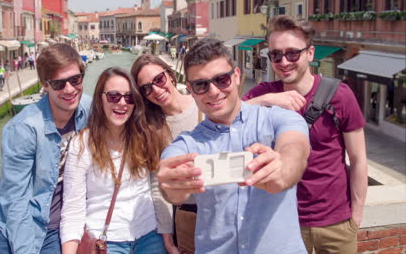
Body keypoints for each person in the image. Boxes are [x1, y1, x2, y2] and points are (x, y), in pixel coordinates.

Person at [157, 38, 311, 254]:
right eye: (202, 85)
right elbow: (171, 180)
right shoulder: (186, 144)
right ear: (191, 89)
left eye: (221, 80)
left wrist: (283, 168)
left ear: (236, 76)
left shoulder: (279, 118)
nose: (213, 91)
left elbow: (295, 148)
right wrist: (171, 188)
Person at [241, 15, 367, 254]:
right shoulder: (264, 94)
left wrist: (356, 218)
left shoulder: (340, 95)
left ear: (310, 53)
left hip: (336, 224)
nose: (284, 61)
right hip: (282, 221)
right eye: (276, 55)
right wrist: (267, 99)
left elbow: (358, 159)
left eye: (292, 53)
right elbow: (227, 120)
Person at [0, 44, 92, 254]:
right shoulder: (23, 129)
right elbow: (16, 201)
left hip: (54, 227)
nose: (69, 89)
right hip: (7, 227)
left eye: (75, 80)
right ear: (45, 85)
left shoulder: (88, 108)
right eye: (59, 84)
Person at [60, 67, 167, 254]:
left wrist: (167, 235)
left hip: (150, 235)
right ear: (100, 99)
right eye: (113, 96)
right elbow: (73, 208)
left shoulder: (145, 135)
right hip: (107, 242)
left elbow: (157, 187)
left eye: (129, 97)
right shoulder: (82, 145)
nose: (122, 103)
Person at [131, 54, 199, 253]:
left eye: (159, 80)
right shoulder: (151, 129)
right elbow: (157, 186)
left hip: (222, 211)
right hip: (186, 218)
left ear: (170, 75)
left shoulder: (202, 103)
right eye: (146, 88)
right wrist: (167, 235)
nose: (156, 90)